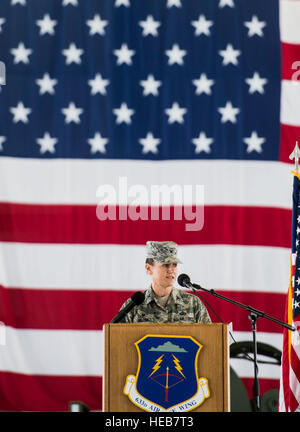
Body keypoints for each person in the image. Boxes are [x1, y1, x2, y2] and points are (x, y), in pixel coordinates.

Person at [118, 241, 211, 323]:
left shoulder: (192, 303)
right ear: (148, 268)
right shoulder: (133, 306)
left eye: (174, 265)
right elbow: (119, 340)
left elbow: (209, 339)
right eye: (165, 265)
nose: (171, 270)